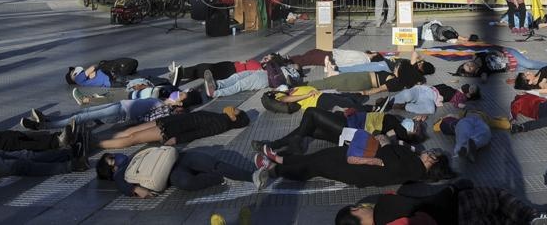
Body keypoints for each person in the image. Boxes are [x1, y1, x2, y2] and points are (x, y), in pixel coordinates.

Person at [336, 182, 547, 225]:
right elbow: (423, 203)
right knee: (498, 198)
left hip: (457, 220)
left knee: (498, 219)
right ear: (355, 209)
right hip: (455, 205)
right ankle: (532, 218)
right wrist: (452, 188)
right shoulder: (384, 205)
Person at [255, 142, 454, 189]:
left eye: (433, 153)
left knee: (315, 165)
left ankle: (274, 170)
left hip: (358, 169)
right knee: (320, 156)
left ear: (433, 161)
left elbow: (389, 164)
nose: (430, 151)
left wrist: (385, 143)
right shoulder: (415, 161)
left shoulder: (414, 168)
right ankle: (281, 159)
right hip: (360, 162)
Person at [258, 106, 427, 155]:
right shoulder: (396, 123)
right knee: (310, 129)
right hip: (349, 126)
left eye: (414, 126)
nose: (413, 122)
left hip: (349, 128)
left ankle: (294, 144)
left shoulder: (396, 129)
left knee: (311, 112)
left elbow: (398, 139)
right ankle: (273, 145)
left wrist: (413, 136)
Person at [96, 149, 266, 197]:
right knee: (187, 183)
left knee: (212, 163)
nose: (117, 156)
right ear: (113, 170)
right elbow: (123, 185)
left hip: (179, 157)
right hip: (170, 174)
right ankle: (222, 178)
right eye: (112, 159)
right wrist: (136, 190)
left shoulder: (134, 156)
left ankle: (252, 176)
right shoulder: (120, 175)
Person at [93, 107, 250, 149]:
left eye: (236, 110)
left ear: (235, 117)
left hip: (174, 129)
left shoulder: (222, 123)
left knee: (133, 138)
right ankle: (99, 139)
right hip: (172, 120)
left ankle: (97, 144)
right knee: (132, 131)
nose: (234, 107)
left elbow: (201, 132)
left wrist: (178, 139)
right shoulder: (220, 117)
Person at [21, 92, 189, 130]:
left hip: (122, 112)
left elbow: (148, 119)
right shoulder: (161, 101)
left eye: (178, 97)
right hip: (120, 105)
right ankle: (48, 119)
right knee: (82, 114)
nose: (175, 96)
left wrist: (173, 106)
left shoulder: (165, 110)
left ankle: (45, 126)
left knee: (81, 118)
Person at [65, 57, 139, 87]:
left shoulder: (83, 81)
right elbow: (92, 68)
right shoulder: (78, 78)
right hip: (108, 75)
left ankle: (139, 80)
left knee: (128, 81)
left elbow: (92, 75)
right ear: (73, 77)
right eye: (72, 72)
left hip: (109, 82)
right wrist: (97, 66)